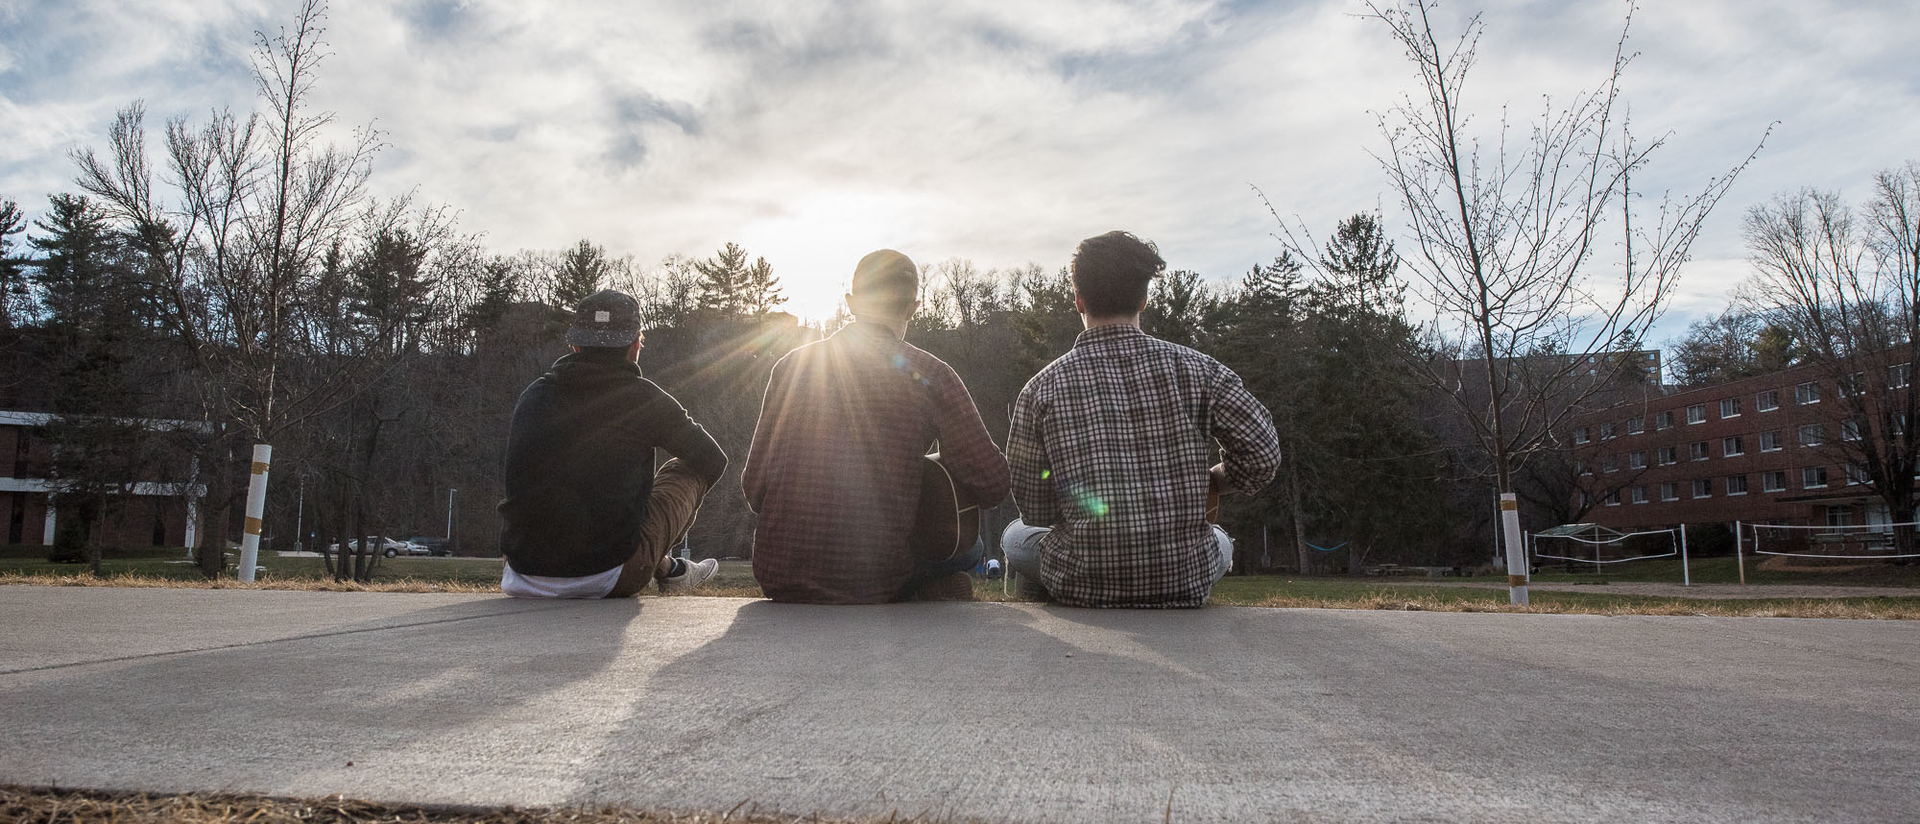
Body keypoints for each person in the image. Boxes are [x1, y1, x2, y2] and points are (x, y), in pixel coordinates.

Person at [1003, 231, 1281, 608]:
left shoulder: (1040, 389)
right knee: (1220, 540)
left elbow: (1035, 510)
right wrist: (1215, 481)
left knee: (1015, 534)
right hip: (1185, 578)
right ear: (1144, 298)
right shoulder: (1202, 371)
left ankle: (1042, 613)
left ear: (1078, 299)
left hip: (1084, 579)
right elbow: (1262, 457)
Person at [744, 249, 1011, 604]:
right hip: (873, 579)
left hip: (779, 576)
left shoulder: (789, 367)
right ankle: (933, 590)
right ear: (913, 307)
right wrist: (927, 471)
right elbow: (992, 485)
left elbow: (754, 488)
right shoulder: (931, 375)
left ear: (852, 302)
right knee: (970, 546)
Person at [496, 289, 727, 598]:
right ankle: (662, 562)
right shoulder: (644, 398)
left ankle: (670, 568)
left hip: (521, 572)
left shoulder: (533, 396)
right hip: (609, 575)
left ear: (575, 344)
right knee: (685, 468)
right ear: (635, 346)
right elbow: (713, 459)